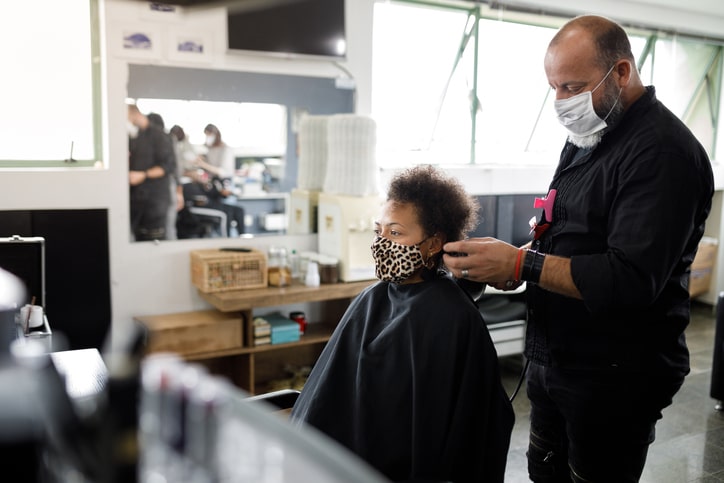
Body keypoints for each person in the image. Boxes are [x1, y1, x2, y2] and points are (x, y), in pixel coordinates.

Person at [443, 15, 715, 483]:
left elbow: (629, 278)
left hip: (615, 376)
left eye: (573, 86)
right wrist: (517, 260)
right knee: (545, 472)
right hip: (558, 358)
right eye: (554, 87)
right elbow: (565, 229)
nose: (561, 102)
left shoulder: (662, 154)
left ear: (622, 72)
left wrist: (521, 261)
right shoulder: (590, 136)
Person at [290, 165, 514, 482]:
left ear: (434, 244)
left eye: (395, 233)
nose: (381, 243)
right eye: (378, 230)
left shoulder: (449, 315)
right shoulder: (371, 298)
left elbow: (464, 426)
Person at [127, 104, 176, 241]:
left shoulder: (159, 136)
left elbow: (168, 166)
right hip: (137, 199)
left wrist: (143, 175)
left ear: (135, 114)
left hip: (156, 199)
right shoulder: (135, 137)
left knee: (156, 240)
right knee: (138, 237)